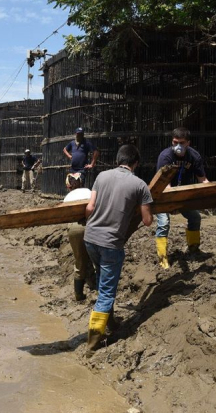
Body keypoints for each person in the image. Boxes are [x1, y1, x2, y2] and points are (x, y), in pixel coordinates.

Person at [83, 144, 153, 355]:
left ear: (118, 160)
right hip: (111, 244)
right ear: (136, 163)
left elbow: (89, 208)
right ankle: (93, 342)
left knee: (103, 281)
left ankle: (111, 322)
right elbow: (148, 221)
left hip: (90, 238)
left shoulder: (101, 177)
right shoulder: (140, 185)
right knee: (106, 292)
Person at [154, 127, 209, 268]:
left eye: (182, 142)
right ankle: (162, 257)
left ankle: (194, 249)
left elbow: (202, 180)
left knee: (195, 217)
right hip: (163, 196)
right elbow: (166, 185)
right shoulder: (165, 157)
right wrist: (173, 205)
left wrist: (211, 193)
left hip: (184, 196)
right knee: (164, 222)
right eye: (175, 142)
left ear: (188, 143)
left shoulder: (194, 157)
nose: (178, 146)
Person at [64, 173, 96, 301]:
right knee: (97, 260)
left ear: (69, 186)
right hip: (92, 226)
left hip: (75, 228)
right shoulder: (89, 192)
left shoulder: (68, 197)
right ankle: (99, 290)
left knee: (79, 260)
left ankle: (78, 295)